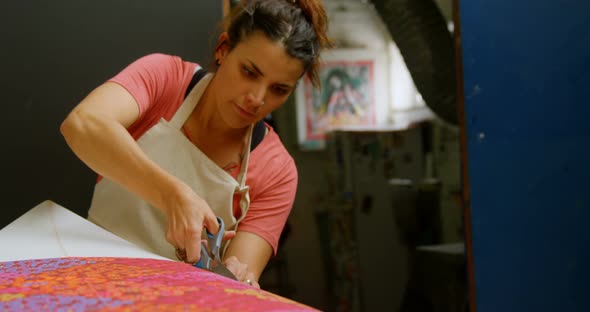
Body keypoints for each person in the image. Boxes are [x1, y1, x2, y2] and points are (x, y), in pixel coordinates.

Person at [60, 0, 331, 288]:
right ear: (223, 49)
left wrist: (237, 277)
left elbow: (238, 281)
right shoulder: (167, 79)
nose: (257, 98)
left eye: (278, 89)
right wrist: (172, 195)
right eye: (249, 72)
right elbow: (82, 125)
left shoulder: (277, 171)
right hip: (86, 274)